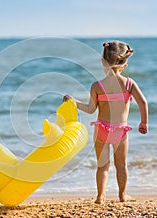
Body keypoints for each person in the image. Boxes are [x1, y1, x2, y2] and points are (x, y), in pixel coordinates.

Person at [63, 41, 148, 204]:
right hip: (120, 131)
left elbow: (90, 109)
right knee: (121, 165)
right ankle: (123, 195)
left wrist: (73, 102)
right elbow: (143, 102)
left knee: (102, 165)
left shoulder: (97, 86)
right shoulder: (129, 84)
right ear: (125, 64)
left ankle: (100, 196)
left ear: (103, 62)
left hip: (101, 130)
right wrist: (144, 122)